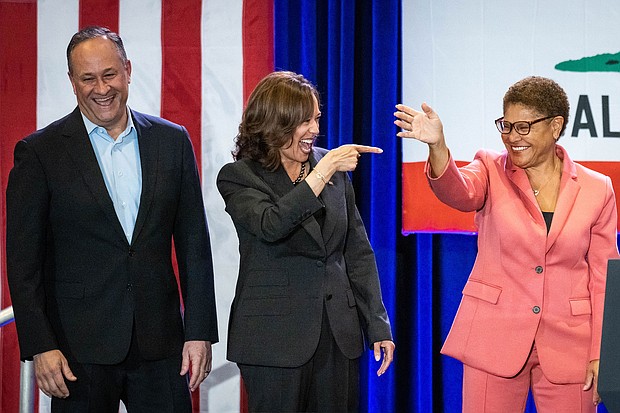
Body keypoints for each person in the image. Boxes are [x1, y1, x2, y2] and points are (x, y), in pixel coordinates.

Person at [6, 26, 218, 412]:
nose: (101, 88)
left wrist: (200, 332)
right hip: (76, 352)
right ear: (72, 82)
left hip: (161, 345)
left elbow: (193, 245)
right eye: (88, 78)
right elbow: (23, 265)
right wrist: (41, 345)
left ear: (128, 70)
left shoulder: (172, 141)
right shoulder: (39, 153)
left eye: (109, 74)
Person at [395, 76, 619, 413]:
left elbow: (603, 277)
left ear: (555, 126)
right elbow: (459, 191)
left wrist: (604, 353)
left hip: (571, 343)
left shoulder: (597, 188)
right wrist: (438, 147)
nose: (512, 137)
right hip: (493, 336)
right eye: (506, 125)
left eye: (524, 127)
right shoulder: (489, 167)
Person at [217, 71, 395, 413]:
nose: (315, 129)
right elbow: (271, 225)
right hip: (273, 342)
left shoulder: (330, 170)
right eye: (304, 121)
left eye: (316, 118)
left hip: (336, 337)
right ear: (275, 123)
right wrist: (322, 172)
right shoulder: (239, 176)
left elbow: (357, 252)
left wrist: (377, 325)